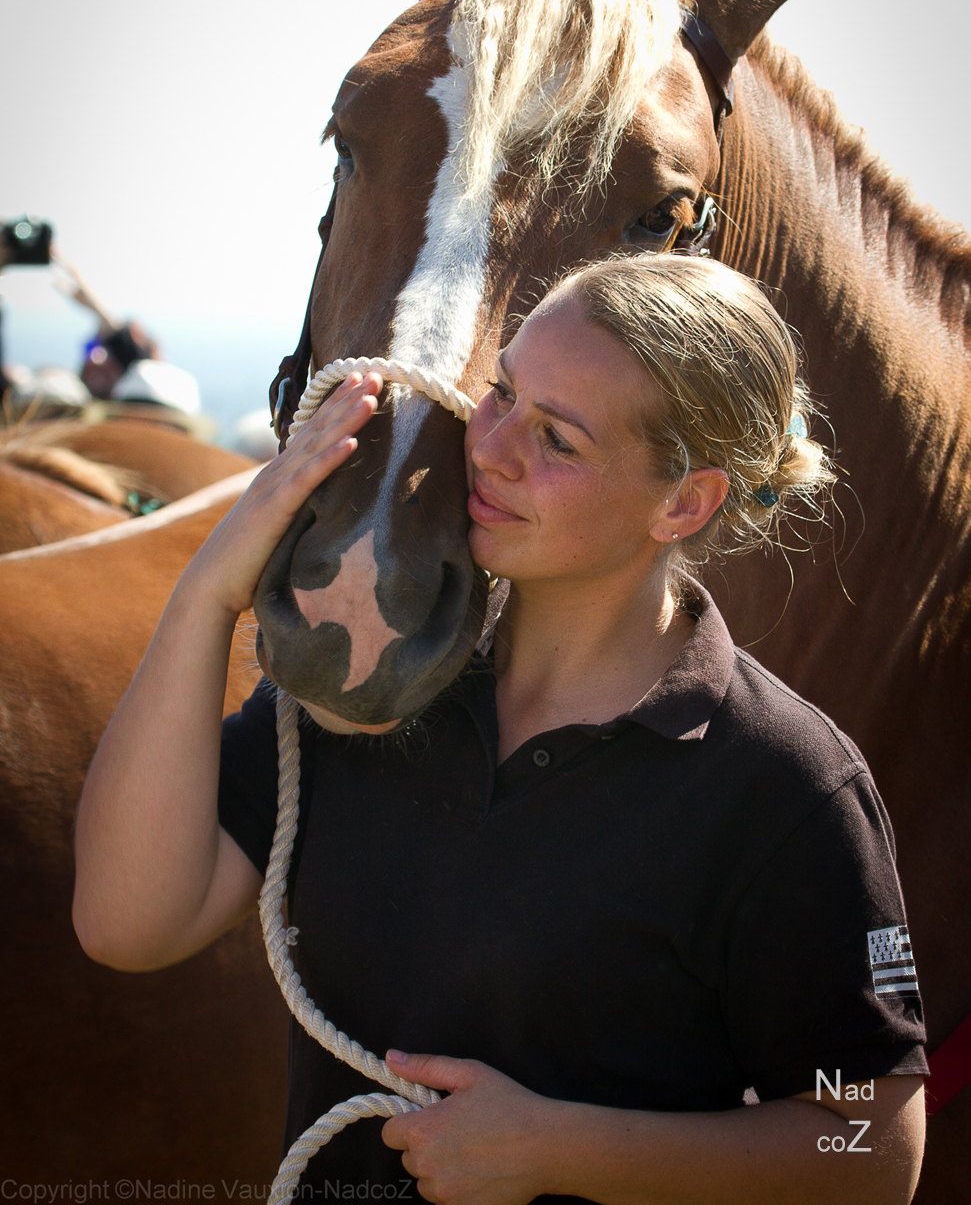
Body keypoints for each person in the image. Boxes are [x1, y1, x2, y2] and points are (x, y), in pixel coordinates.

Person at [73, 254, 927, 1204]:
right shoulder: (373, 690)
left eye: (556, 438)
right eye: (502, 392)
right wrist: (205, 598)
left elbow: (874, 1153)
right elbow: (123, 924)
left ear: (683, 503)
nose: (490, 447)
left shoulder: (784, 787)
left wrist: (556, 1149)